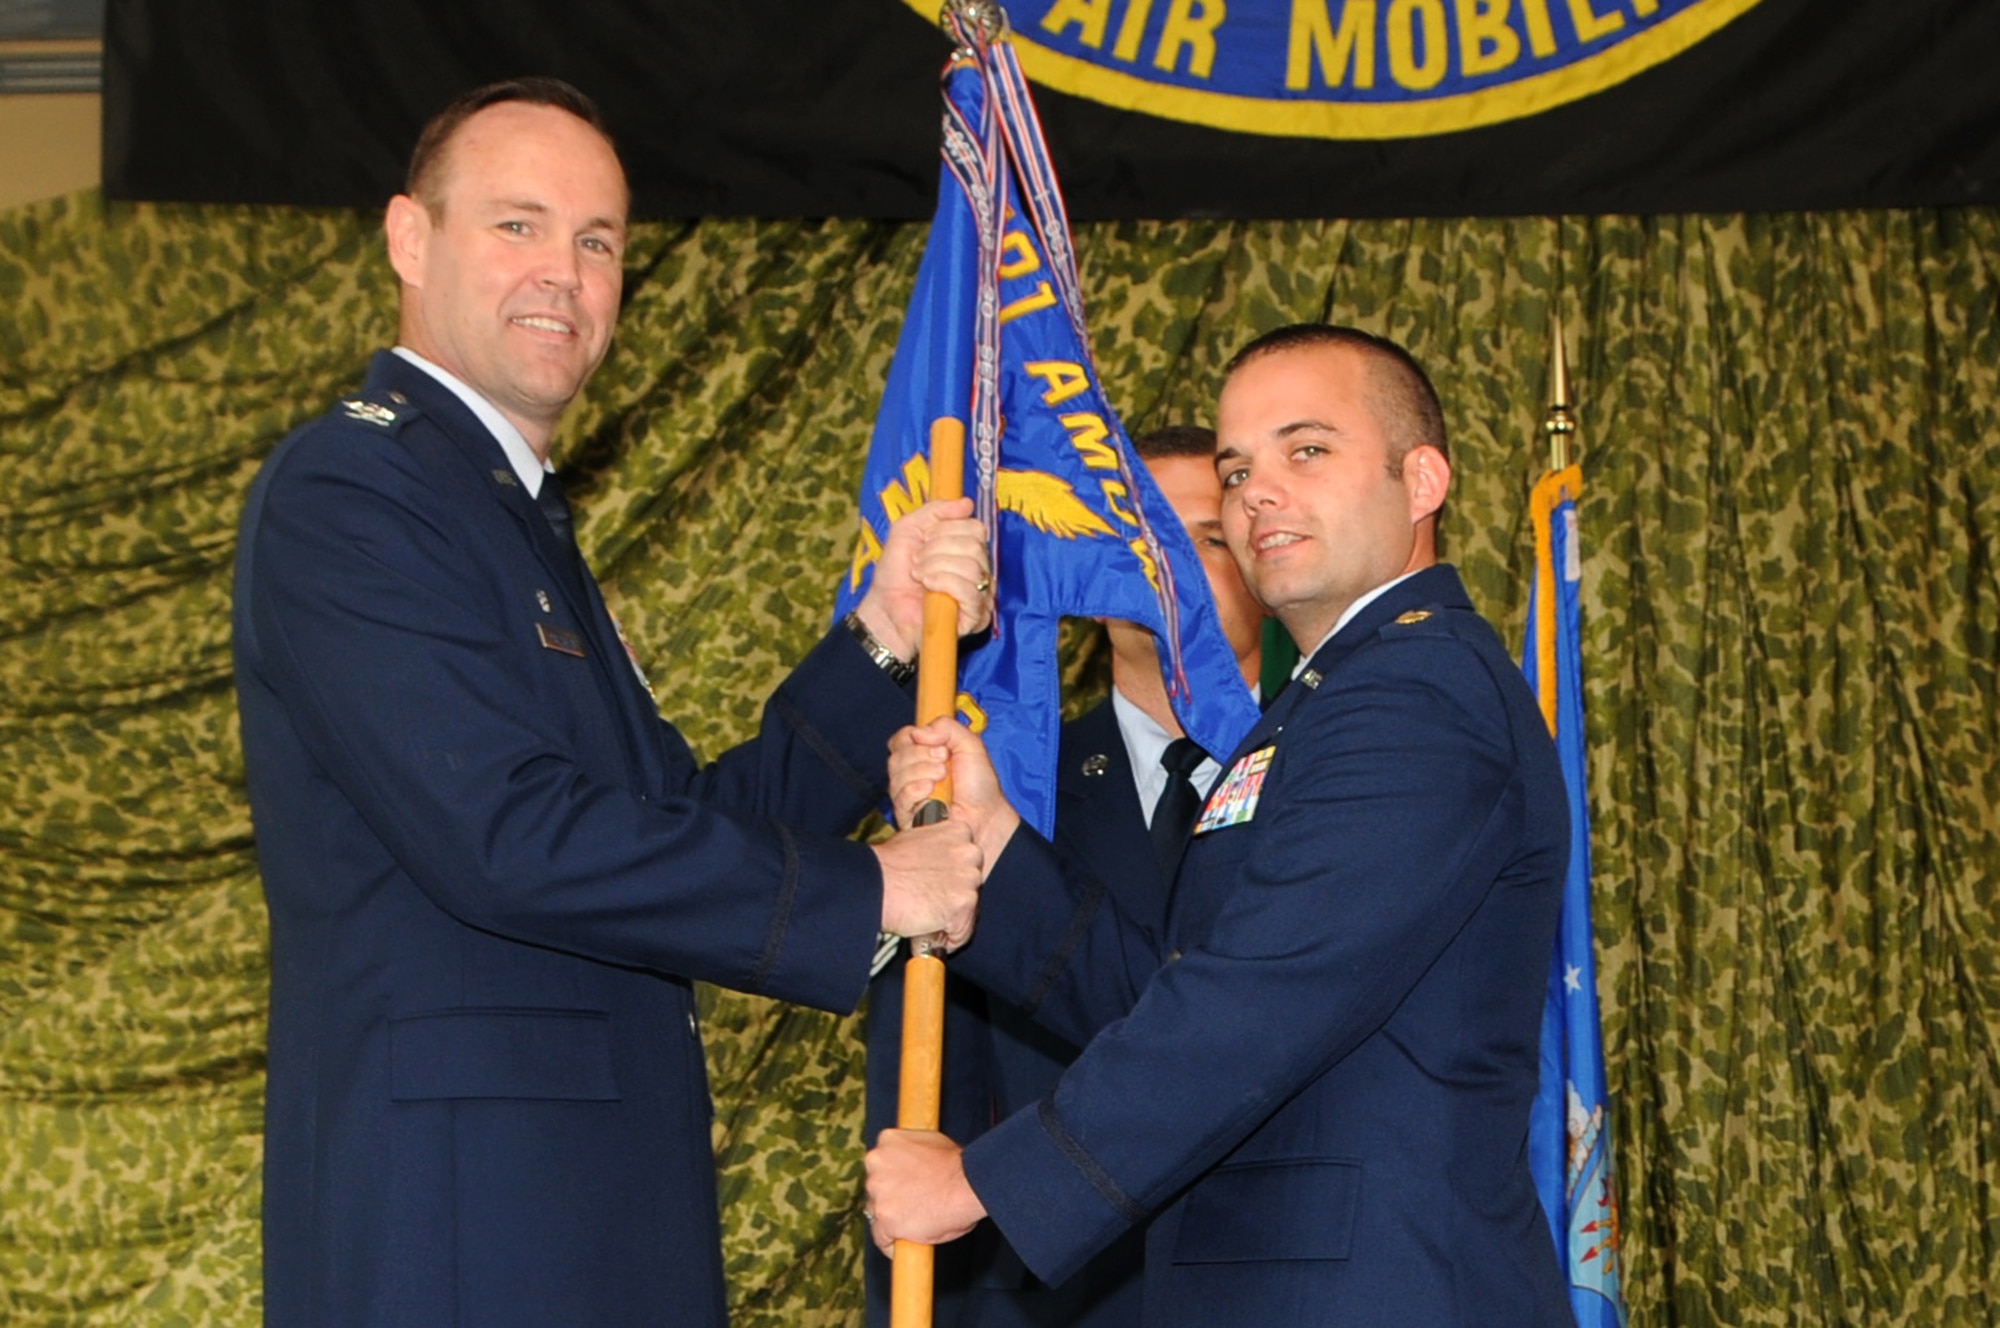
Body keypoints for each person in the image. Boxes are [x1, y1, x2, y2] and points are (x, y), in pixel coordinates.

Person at [232, 77, 990, 1328]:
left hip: (582, 1207)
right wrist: (874, 891)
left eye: (597, 242)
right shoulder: (352, 493)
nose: (564, 274)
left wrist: (879, 640)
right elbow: (507, 840)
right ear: (408, 241)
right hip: (465, 1227)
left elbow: (670, 817)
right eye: (517, 225)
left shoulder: (508, 515)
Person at [866, 325, 1575, 1326]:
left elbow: (1259, 997)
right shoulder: (1324, 703)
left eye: (1307, 450)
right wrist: (993, 842)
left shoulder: (1416, 693)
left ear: (1420, 480)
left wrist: (979, 1181)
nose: (1257, 493)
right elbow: (1174, 991)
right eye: (1238, 468)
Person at [863, 425, 1266, 1328]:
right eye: (1137, 537)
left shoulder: (1334, 779)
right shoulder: (992, 788)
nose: (1165, 568)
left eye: (1204, 535)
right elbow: (929, 1108)